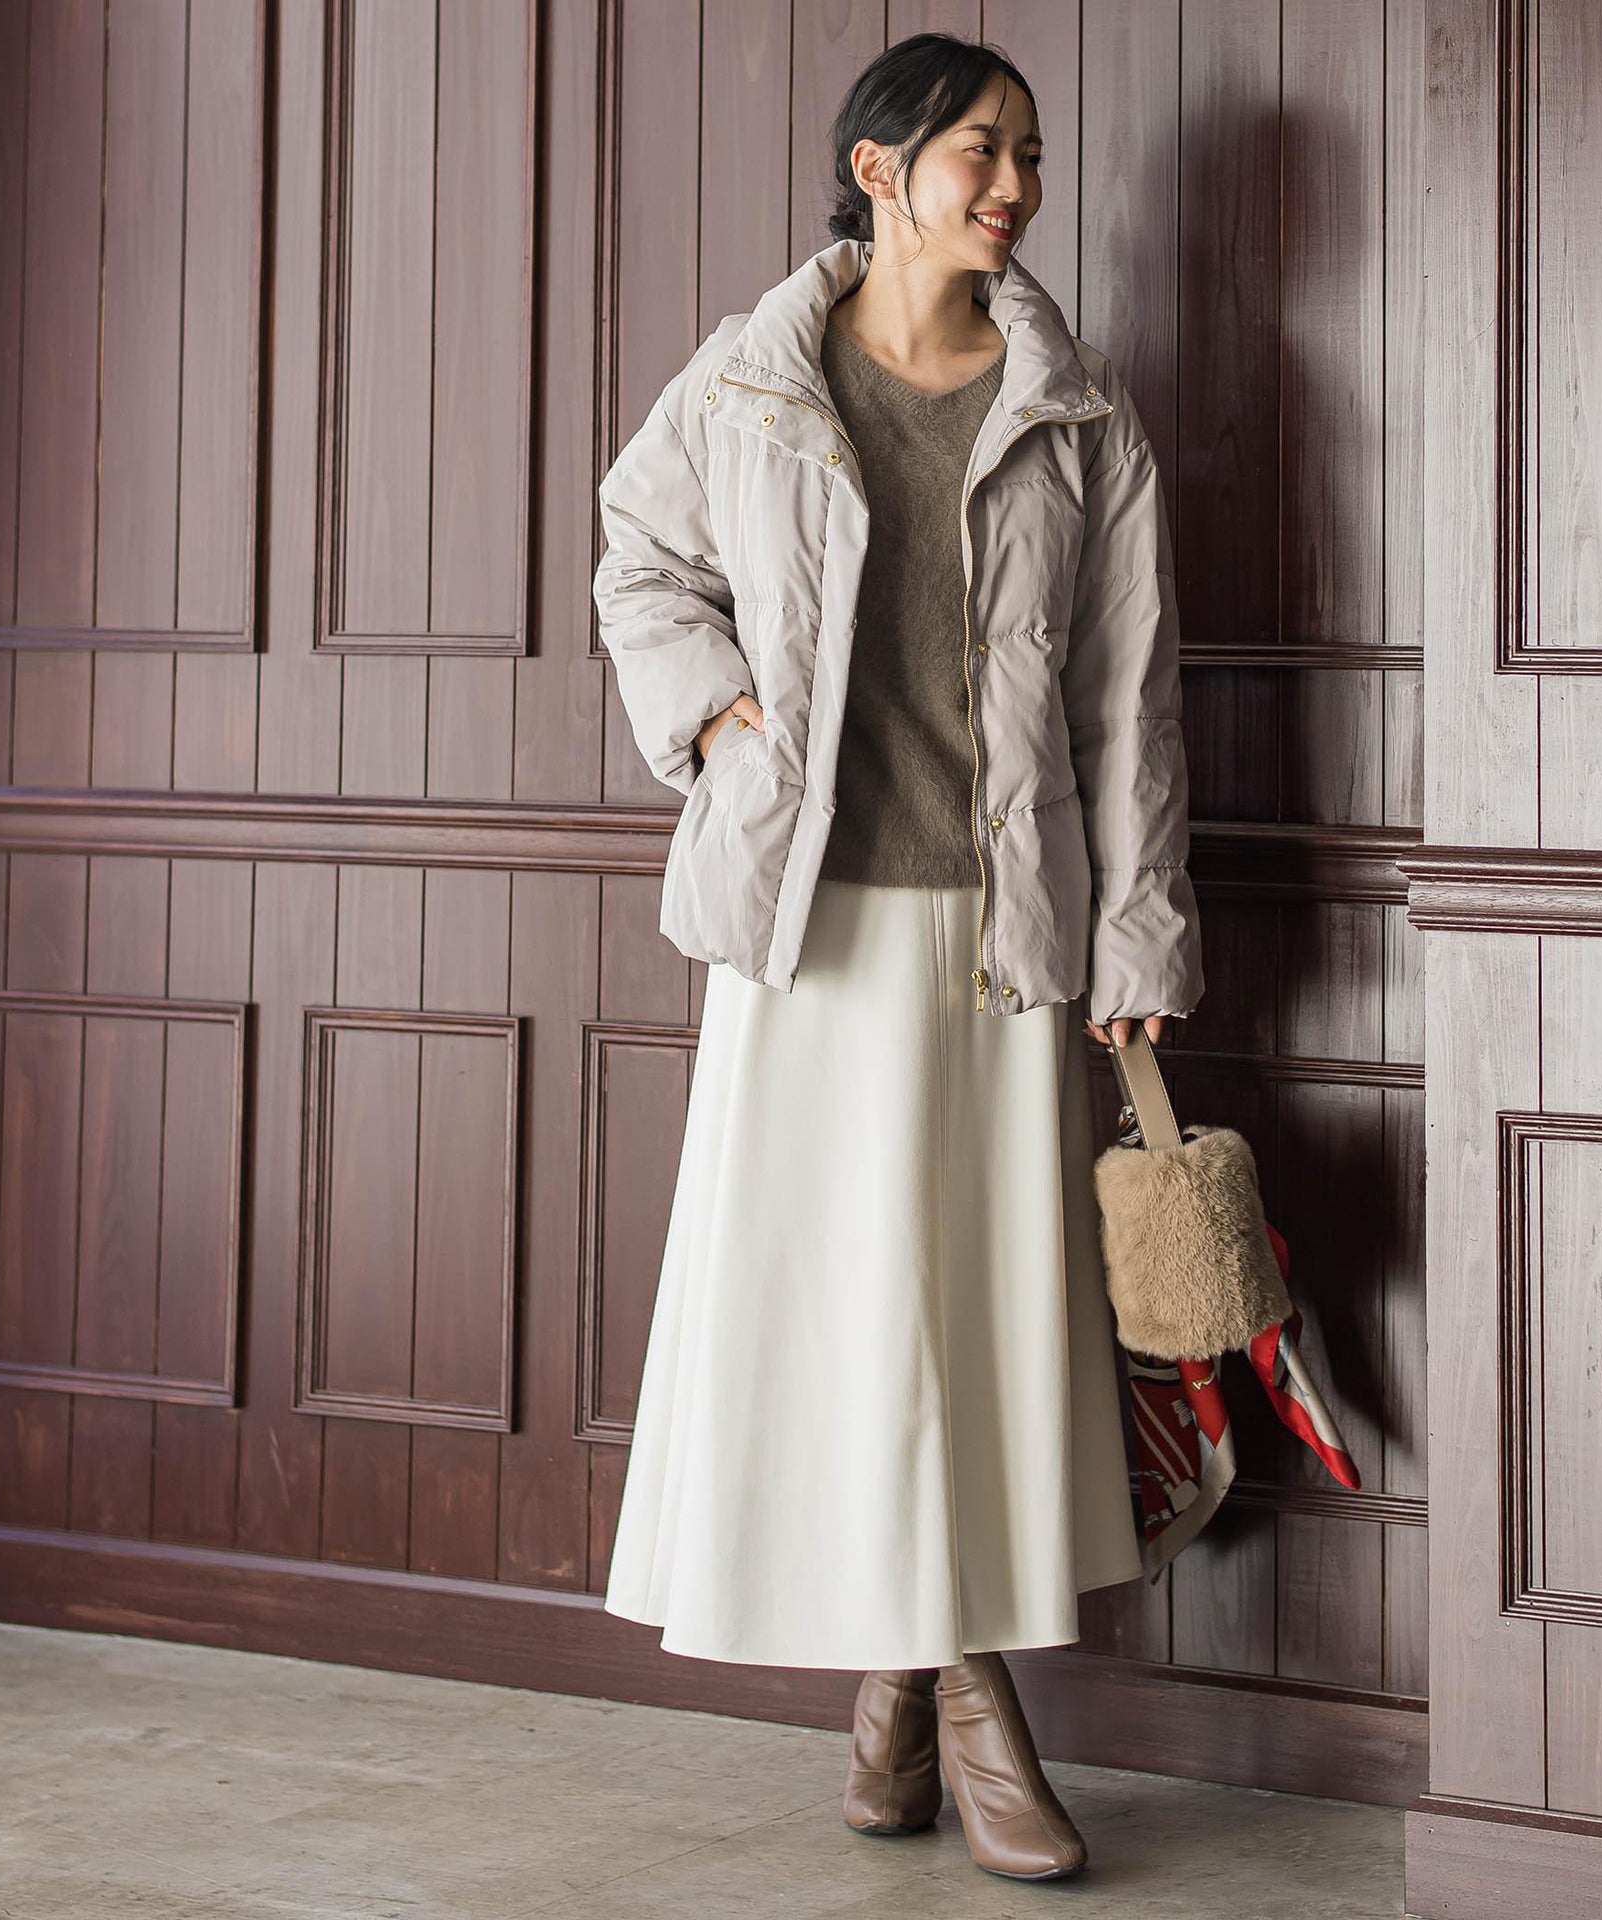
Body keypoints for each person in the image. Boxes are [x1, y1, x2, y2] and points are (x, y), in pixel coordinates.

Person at [590, 31, 1202, 1883]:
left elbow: (1131, 699)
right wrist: (721, 725)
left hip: (1006, 929)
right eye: (979, 151)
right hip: (810, 928)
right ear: (880, 169)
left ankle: (906, 1694)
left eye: (1030, 153)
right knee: (860, 1320)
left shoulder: (1079, 413)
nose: (1016, 185)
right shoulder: (754, 380)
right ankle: (969, 1698)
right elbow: (636, 558)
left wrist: (1140, 930)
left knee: (975, 1327)